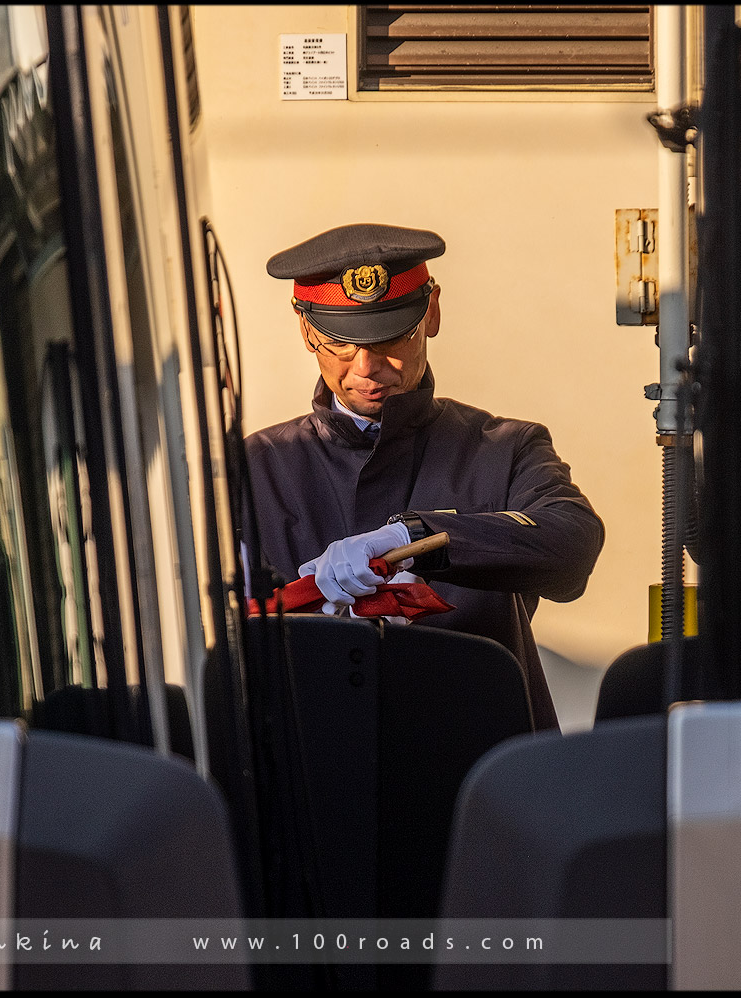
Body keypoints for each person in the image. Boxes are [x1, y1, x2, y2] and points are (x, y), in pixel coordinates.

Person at [243, 222, 605, 731]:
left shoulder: (503, 448)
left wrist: (418, 538)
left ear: (431, 313)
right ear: (306, 331)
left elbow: (573, 543)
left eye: (391, 337)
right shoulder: (255, 468)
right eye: (341, 343)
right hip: (316, 776)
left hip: (475, 763)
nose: (366, 366)